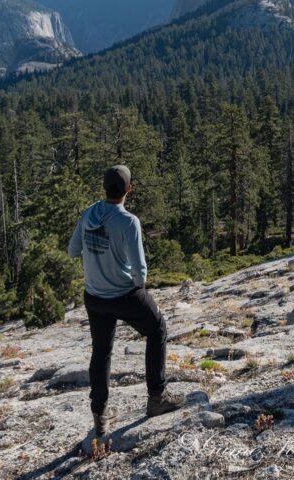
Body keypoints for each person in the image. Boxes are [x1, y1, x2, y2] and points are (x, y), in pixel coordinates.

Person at [68, 164, 184, 435]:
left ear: (105, 188)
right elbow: (139, 270)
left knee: (101, 351)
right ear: (128, 190)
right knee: (157, 329)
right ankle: (157, 398)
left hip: (94, 297)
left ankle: (100, 415)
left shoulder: (88, 214)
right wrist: (137, 290)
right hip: (123, 294)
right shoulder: (129, 221)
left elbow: (74, 250)